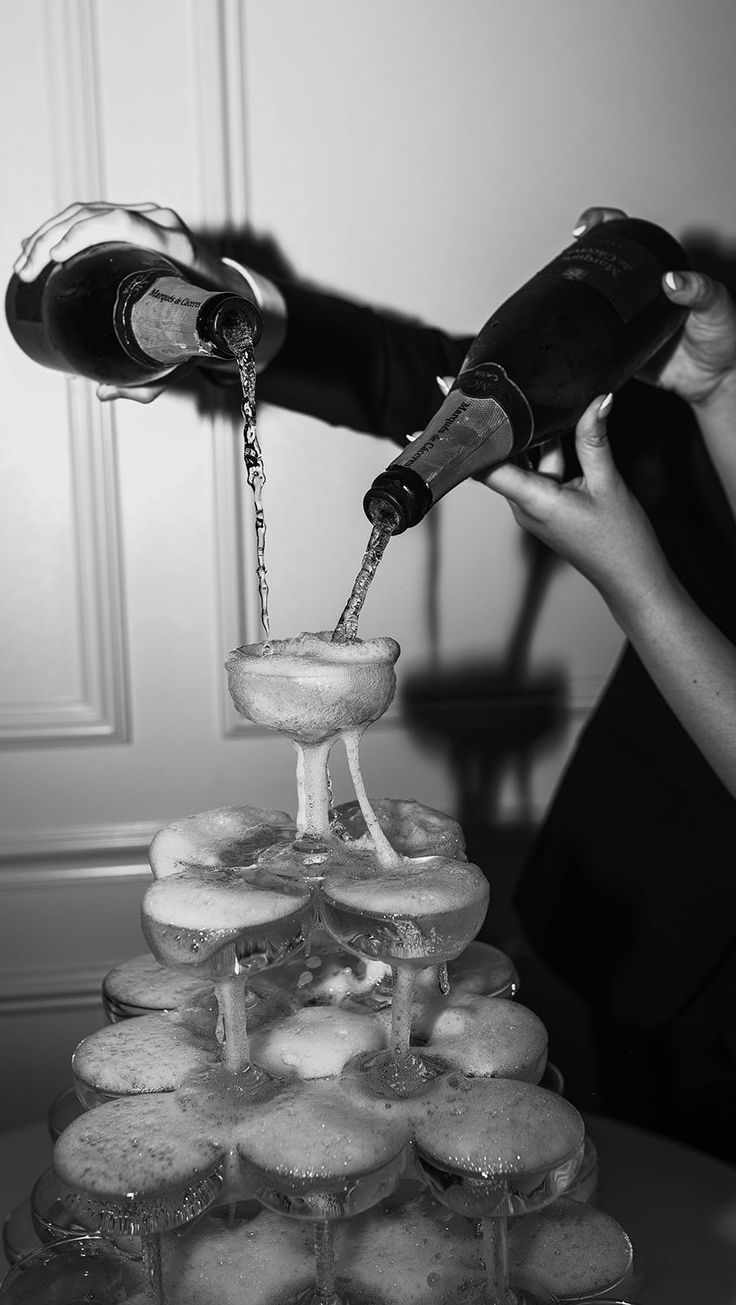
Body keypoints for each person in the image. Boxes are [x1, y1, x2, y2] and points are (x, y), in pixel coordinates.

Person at [13, 202, 736, 1159]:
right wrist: (228, 313)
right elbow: (418, 373)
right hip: (619, 913)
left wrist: (638, 589)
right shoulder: (671, 396)